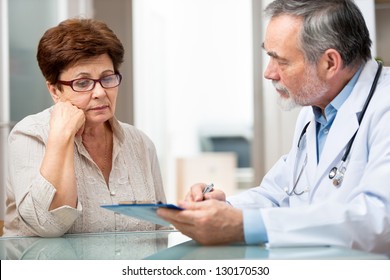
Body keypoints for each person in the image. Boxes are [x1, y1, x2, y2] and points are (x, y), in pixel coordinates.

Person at [157, 0, 390, 254]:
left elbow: (378, 220)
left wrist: (243, 225)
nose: (269, 73)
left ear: (330, 63)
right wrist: (222, 208)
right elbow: (279, 194)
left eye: (281, 61)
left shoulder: (383, 107)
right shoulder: (315, 114)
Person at [3, 18, 166, 237]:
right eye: (82, 83)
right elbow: (45, 225)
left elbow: (160, 229)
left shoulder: (140, 143)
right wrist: (62, 137)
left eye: (107, 78)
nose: (100, 92)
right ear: (55, 91)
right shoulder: (29, 134)